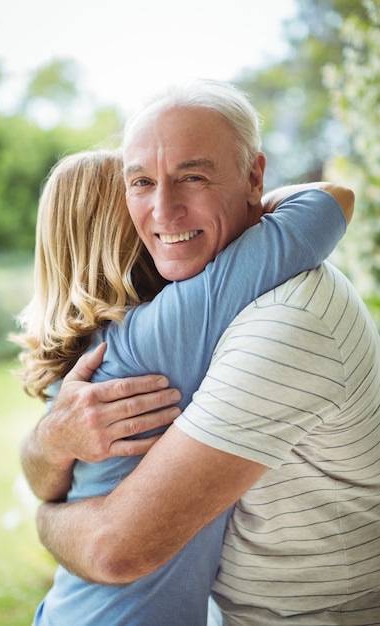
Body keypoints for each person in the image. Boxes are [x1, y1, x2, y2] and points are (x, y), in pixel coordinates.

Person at [19, 80, 363, 625]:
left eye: (192, 178)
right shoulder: (157, 332)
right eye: (139, 186)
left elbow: (43, 473)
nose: (161, 211)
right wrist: (251, 210)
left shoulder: (83, 358)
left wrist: (46, 509)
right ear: (120, 227)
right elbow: (327, 204)